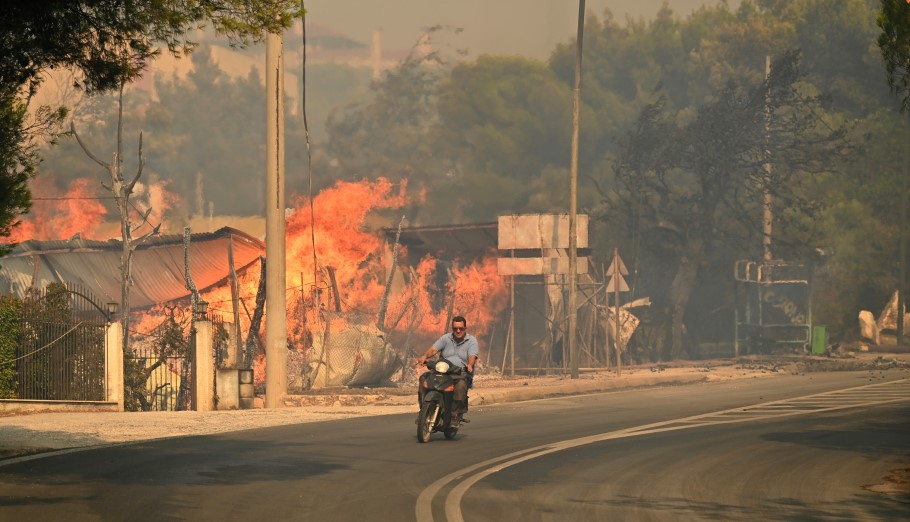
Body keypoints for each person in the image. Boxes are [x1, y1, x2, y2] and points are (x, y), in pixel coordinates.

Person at [416, 315, 478, 424]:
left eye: (461, 328)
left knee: (461, 385)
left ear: (465, 328)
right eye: (455, 329)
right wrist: (425, 357)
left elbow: (472, 355)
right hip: (443, 371)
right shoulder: (446, 338)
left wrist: (470, 365)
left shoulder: (471, 341)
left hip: (460, 373)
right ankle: (424, 409)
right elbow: (434, 350)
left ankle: (455, 414)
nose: (458, 331)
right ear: (452, 329)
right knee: (424, 378)